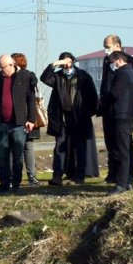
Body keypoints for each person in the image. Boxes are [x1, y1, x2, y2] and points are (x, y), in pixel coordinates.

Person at [40, 51, 100, 185]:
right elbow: (44, 78)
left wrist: (87, 113)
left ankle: (79, 176)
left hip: (79, 117)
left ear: (73, 61)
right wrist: (55, 64)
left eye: (69, 61)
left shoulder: (83, 76)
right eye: (64, 62)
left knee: (80, 147)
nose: (67, 65)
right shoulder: (57, 77)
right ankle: (57, 176)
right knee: (59, 147)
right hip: (62, 118)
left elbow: (92, 96)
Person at [0, 54, 36, 192]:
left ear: (12, 65)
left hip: (18, 124)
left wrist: (31, 119)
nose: (1, 70)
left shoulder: (23, 77)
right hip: (1, 123)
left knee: (18, 156)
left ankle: (16, 184)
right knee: (2, 156)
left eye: (3, 67)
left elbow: (31, 99)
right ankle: (4, 184)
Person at [98, 35, 133, 185]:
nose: (106, 50)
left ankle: (128, 175)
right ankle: (113, 173)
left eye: (108, 46)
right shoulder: (106, 61)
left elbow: (127, 88)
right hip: (109, 107)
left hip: (123, 108)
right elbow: (105, 82)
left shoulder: (128, 62)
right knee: (111, 142)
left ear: (117, 46)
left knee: (124, 144)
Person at [12, 53, 41, 186]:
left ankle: (32, 176)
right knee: (15, 149)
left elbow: (34, 84)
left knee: (28, 147)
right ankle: (16, 176)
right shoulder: (8, 78)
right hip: (15, 119)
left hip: (28, 117)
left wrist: (31, 118)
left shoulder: (28, 75)